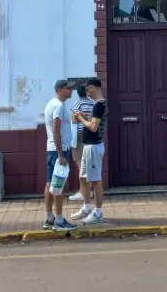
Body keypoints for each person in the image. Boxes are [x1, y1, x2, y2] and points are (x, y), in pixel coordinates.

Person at [71, 76, 107, 225]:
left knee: (95, 180)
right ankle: (86, 207)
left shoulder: (99, 105)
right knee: (83, 177)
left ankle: (98, 212)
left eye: (89, 88)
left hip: (93, 145)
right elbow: (92, 122)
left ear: (96, 87)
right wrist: (85, 117)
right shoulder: (96, 104)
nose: (87, 91)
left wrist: (80, 118)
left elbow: (93, 127)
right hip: (88, 145)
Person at [43, 79, 77, 232]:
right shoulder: (58, 105)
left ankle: (49, 217)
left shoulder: (51, 103)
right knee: (59, 186)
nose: (71, 91)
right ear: (61, 89)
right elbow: (56, 130)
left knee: (50, 182)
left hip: (51, 149)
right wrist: (61, 154)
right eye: (69, 88)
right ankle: (59, 219)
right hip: (59, 150)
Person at [69, 84, 95, 202]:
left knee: (80, 164)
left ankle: (83, 191)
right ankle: (89, 190)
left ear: (78, 93)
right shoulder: (93, 103)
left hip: (80, 135)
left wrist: (74, 117)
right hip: (91, 135)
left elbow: (74, 119)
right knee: (88, 164)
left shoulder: (78, 103)